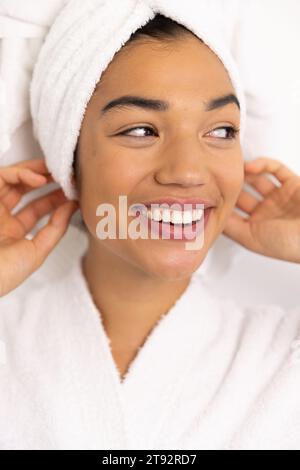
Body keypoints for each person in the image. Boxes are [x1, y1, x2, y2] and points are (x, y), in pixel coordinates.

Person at [1, 12, 300, 450]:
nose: (187, 172)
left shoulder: (281, 354)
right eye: (141, 129)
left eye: (221, 130)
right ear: (70, 160)